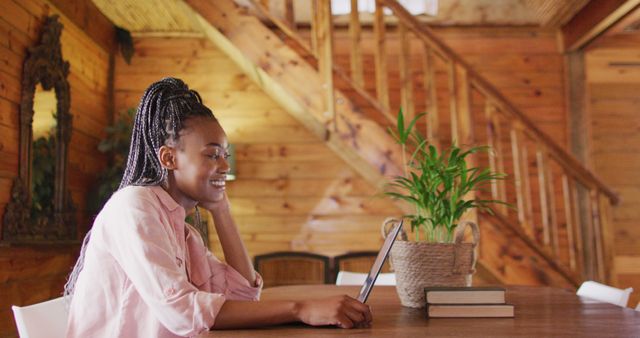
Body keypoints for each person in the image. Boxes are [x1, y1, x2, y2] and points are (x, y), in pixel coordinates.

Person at [64, 77, 372, 337]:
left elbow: (244, 296)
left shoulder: (182, 232)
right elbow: (182, 311)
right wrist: (300, 308)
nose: (224, 165)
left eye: (224, 154)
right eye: (212, 155)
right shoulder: (133, 206)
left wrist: (221, 209)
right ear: (170, 159)